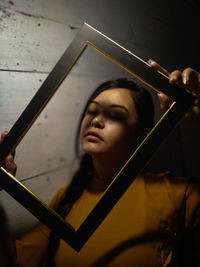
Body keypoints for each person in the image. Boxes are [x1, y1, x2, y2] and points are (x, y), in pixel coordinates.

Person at [1, 61, 200, 267]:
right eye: (92, 111)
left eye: (115, 115)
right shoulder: (66, 198)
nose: (95, 121)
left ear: (141, 135)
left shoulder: (177, 193)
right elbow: (16, 260)